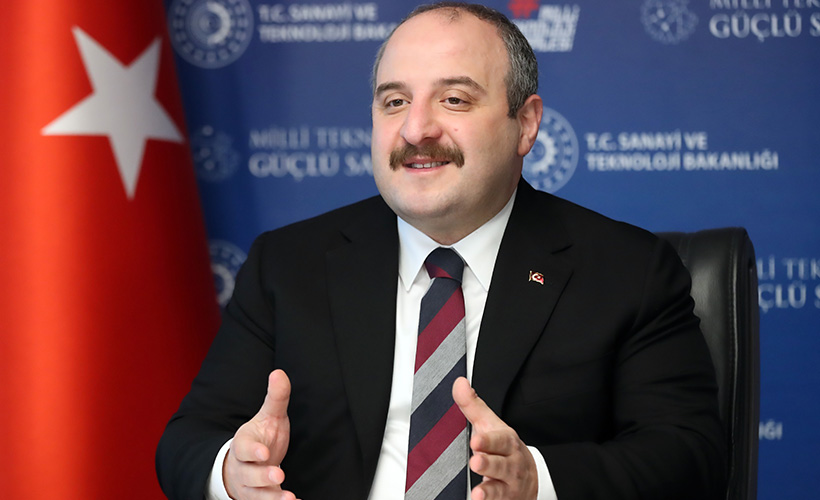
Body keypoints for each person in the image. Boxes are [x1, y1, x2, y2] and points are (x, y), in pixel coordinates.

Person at [156, 3, 726, 499]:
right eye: (394, 101)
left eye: (453, 99)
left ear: (526, 124)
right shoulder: (289, 264)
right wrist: (232, 471)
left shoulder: (626, 270)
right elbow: (188, 440)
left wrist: (537, 480)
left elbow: (689, 456)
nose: (415, 129)